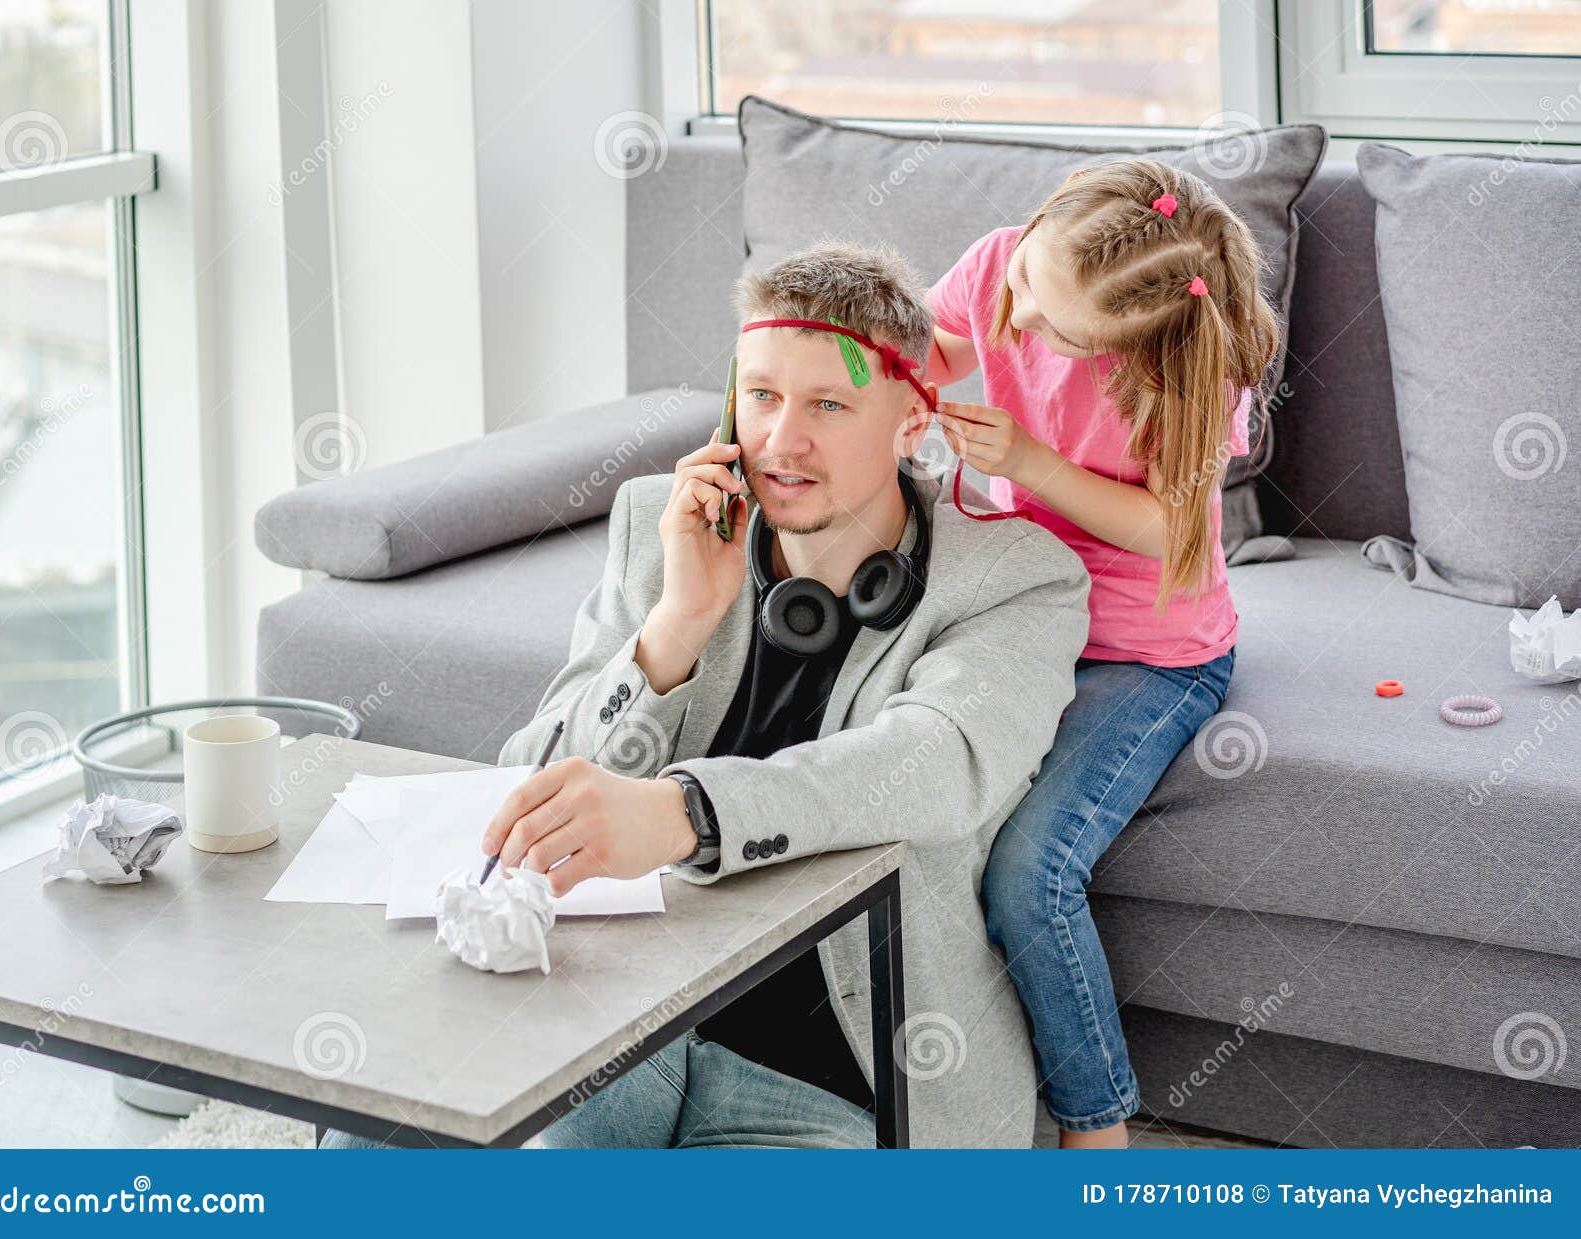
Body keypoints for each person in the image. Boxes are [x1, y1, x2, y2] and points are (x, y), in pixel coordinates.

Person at [319, 241, 1089, 1150]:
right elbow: (531, 776)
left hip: (839, 1083)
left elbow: (934, 763)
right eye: (761, 395)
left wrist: (685, 812)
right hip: (626, 1019)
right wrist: (675, 627)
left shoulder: (1016, 577)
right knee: (378, 1129)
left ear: (911, 419)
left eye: (828, 405)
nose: (780, 440)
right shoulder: (662, 526)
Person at [923, 158, 1280, 1148]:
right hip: (1016, 608)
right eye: (1026, 285)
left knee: (1028, 869)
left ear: (1132, 344)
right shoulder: (1008, 266)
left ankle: (1096, 1130)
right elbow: (932, 343)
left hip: (1149, 653)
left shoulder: (1186, 370)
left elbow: (1176, 534)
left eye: (1057, 330)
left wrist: (1029, 463)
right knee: (916, 811)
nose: (1022, 319)